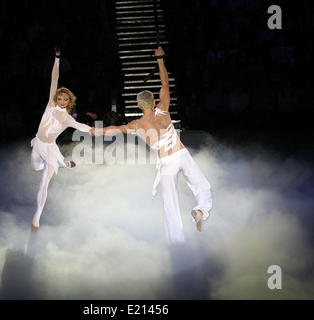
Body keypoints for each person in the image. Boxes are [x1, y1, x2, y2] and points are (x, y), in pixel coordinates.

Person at [92, 47, 212, 244]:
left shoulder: (137, 125)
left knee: (170, 207)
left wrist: (97, 131)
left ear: (139, 106)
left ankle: (176, 244)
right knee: (203, 187)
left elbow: (115, 129)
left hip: (167, 162)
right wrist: (160, 59)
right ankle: (200, 210)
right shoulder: (163, 110)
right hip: (182, 154)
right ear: (154, 102)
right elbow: (165, 83)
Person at [30, 46, 92, 232]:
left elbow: (84, 127)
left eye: (65, 100)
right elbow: (54, 78)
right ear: (56, 98)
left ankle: (37, 216)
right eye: (60, 98)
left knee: (44, 181)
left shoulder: (67, 119)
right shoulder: (50, 104)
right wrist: (57, 58)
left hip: (49, 149)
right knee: (35, 167)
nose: (62, 101)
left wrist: (97, 130)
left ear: (69, 102)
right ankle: (63, 164)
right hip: (37, 144)